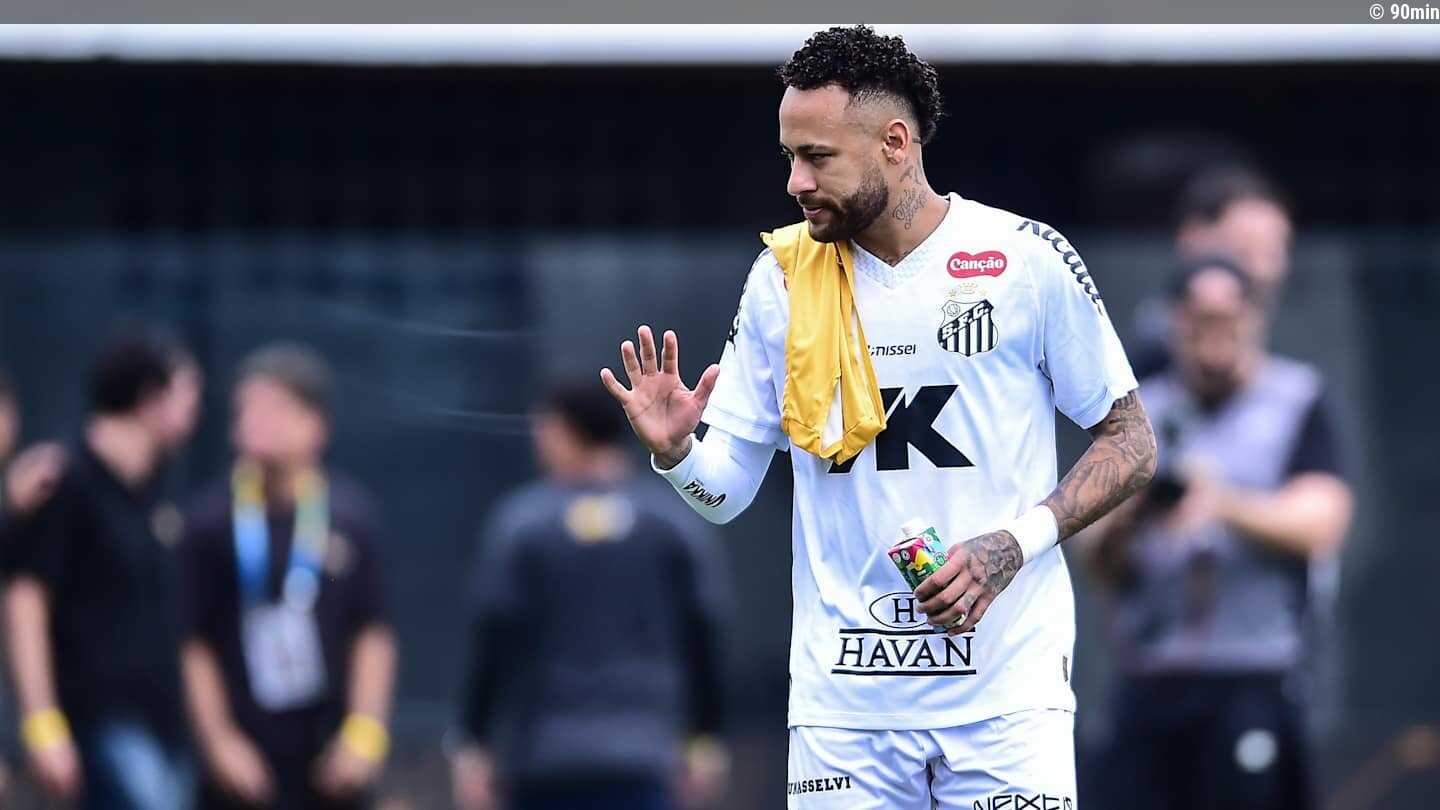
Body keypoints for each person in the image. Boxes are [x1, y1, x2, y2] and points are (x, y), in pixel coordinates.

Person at [599, 25, 1156, 809]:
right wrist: (678, 453)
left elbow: (1132, 443)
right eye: (789, 156)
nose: (795, 181)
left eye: (817, 157)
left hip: (1006, 698)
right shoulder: (782, 280)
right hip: (845, 713)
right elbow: (726, 494)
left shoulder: (1023, 259)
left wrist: (1013, 544)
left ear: (895, 143)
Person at [1078, 256, 1354, 810]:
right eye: (1200, 320)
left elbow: (1322, 523)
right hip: (1150, 676)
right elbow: (1092, 557)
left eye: (1228, 319)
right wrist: (1132, 510)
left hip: (1253, 673)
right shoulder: (1140, 410)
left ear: (1256, 317)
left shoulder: (1296, 399)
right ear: (1174, 321)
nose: (1215, 336)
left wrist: (1219, 503)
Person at [449, 377, 731, 810]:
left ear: (563, 431)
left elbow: (493, 634)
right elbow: (703, 633)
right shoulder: (670, 523)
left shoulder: (522, 525)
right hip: (642, 756)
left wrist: (474, 742)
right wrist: (706, 737)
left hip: (544, 757)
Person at [180, 343, 396, 810]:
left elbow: (372, 632)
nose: (255, 421)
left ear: (316, 424)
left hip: (328, 754)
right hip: (244, 759)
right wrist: (218, 741)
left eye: (274, 408)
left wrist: (365, 734)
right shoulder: (210, 520)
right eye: (245, 408)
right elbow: (193, 642)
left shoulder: (350, 516)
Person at [2, 328, 202, 810]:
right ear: (151, 399)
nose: (196, 409)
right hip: (99, 725)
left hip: (165, 727)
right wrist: (43, 724)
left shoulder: (156, 493)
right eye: (188, 392)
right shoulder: (60, 484)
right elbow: (25, 603)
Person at [1129, 164, 1294, 379]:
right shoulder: (1136, 373)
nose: (1264, 272)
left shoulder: (1298, 386)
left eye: (1273, 253)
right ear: (1193, 240)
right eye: (1246, 250)